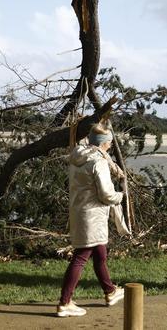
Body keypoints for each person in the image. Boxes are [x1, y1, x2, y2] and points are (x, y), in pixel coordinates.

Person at [57, 123, 126, 318]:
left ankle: (110, 291)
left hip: (80, 212)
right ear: (104, 143)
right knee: (81, 257)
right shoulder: (99, 162)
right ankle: (65, 302)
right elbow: (105, 194)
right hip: (93, 215)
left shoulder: (77, 157)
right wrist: (120, 196)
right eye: (110, 143)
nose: (111, 146)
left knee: (100, 253)